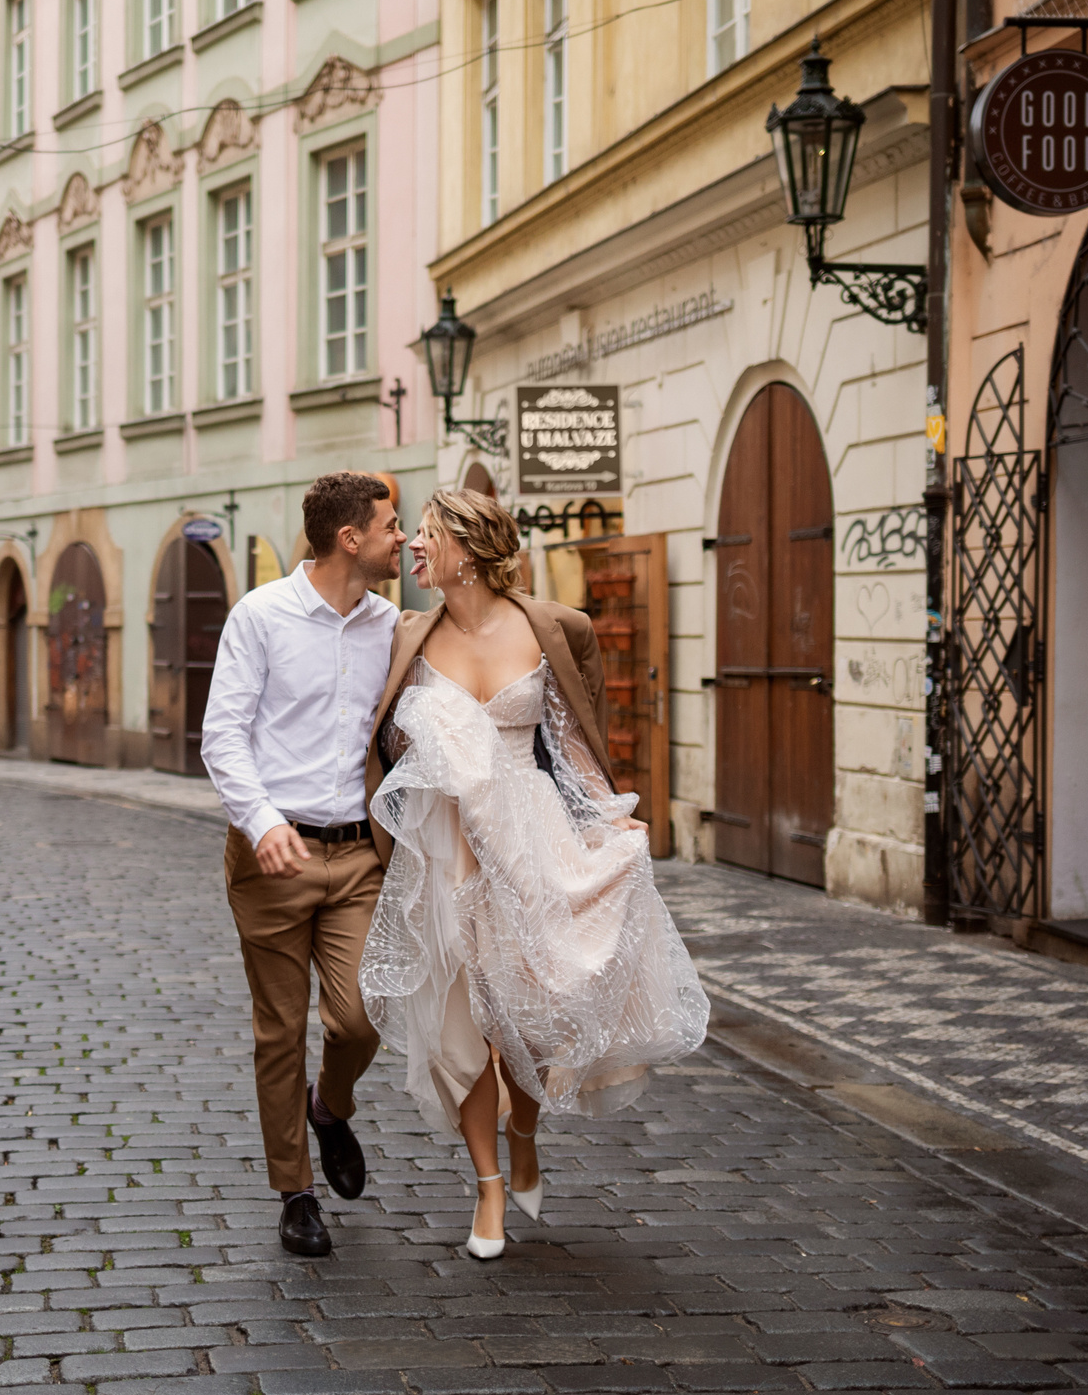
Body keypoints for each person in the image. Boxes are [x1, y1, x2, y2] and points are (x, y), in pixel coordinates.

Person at [359, 488, 708, 1260]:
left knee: (528, 1019)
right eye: (410, 535)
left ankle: (525, 1131)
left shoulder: (550, 627)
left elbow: (573, 739)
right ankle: (487, 1185)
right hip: (446, 848)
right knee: (460, 1033)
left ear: (470, 551)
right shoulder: (407, 634)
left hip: (529, 838)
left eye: (428, 536)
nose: (415, 549)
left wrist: (608, 819)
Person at [199, 471, 408, 1257]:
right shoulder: (261, 615)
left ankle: (332, 1106)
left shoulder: (394, 624)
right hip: (272, 857)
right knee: (279, 1029)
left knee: (362, 1015)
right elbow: (223, 735)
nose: (402, 536)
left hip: (360, 856)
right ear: (350, 538)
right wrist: (259, 822)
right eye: (392, 524)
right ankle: (295, 1190)